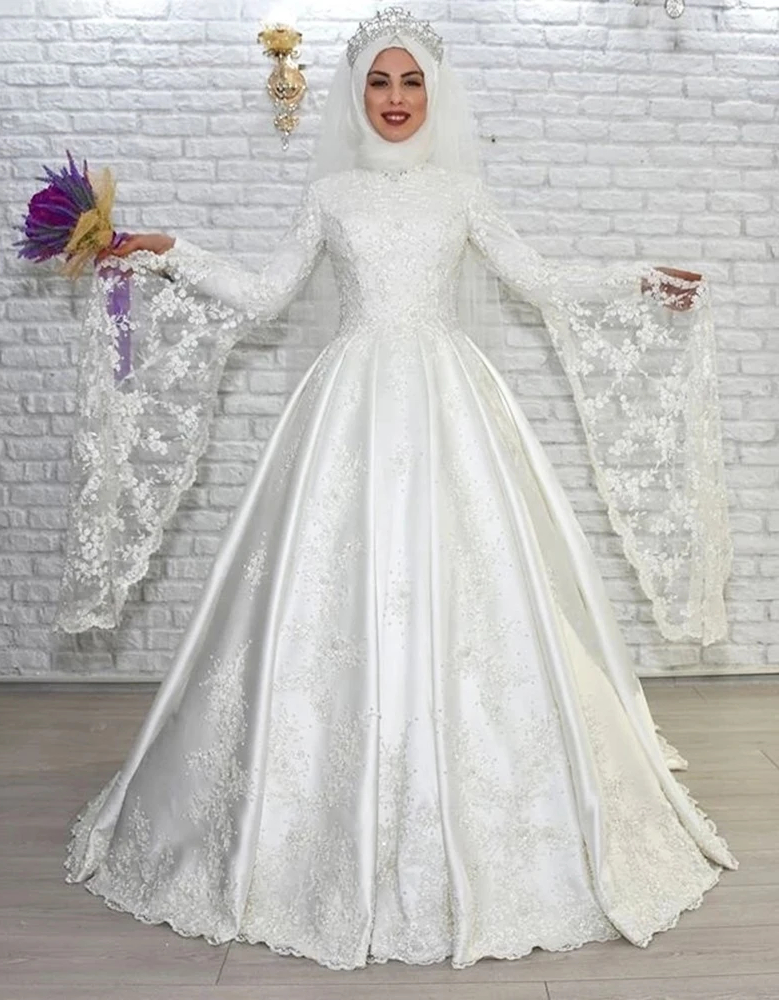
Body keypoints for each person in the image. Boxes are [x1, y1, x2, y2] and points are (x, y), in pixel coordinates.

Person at [63, 7, 736, 971]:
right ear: (355, 93)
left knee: (480, 587)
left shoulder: (462, 193)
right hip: (348, 407)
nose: (394, 98)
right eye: (379, 81)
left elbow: (539, 280)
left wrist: (636, 282)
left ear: (433, 92)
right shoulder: (330, 193)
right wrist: (168, 251)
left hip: (449, 404)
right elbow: (264, 294)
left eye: (410, 80)